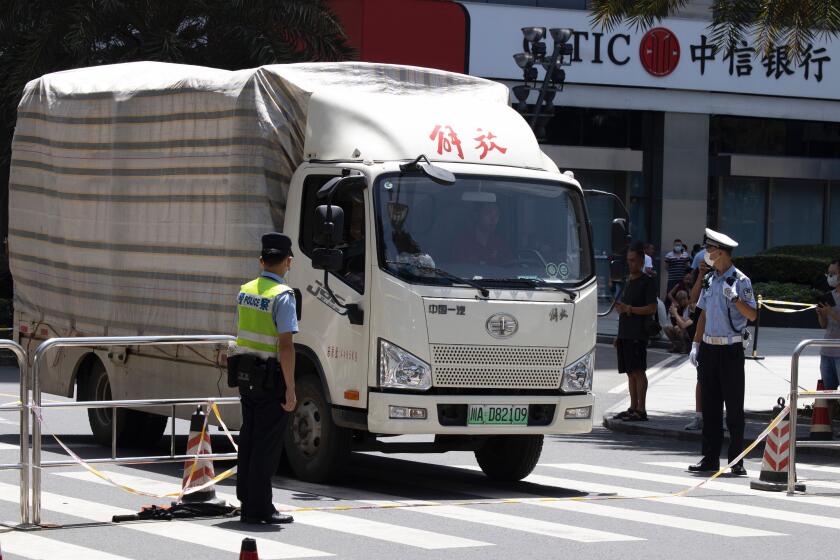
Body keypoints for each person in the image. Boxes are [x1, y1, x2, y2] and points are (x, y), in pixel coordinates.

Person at [230, 232, 298, 524]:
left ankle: (247, 499)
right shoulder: (282, 296)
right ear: (288, 262)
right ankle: (260, 507)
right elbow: (286, 345)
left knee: (249, 438)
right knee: (266, 445)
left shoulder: (245, 290)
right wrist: (291, 389)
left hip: (246, 375)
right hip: (272, 379)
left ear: (260, 260)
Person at [688, 229, 757, 476]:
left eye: (710, 250)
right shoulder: (709, 279)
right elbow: (703, 314)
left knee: (734, 409)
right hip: (709, 349)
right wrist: (696, 345)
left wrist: (736, 298)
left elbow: (752, 315)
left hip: (730, 350)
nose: (707, 254)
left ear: (721, 252)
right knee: (711, 408)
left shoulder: (740, 280)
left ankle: (736, 460)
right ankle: (709, 459)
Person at [612, 242, 658, 422]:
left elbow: (652, 308)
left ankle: (641, 409)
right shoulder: (627, 281)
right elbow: (623, 309)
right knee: (630, 372)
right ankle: (632, 407)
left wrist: (629, 309)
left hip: (638, 333)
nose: (630, 264)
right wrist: (618, 335)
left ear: (641, 261)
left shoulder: (647, 282)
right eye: (628, 261)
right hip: (625, 332)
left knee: (638, 371)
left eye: (633, 260)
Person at [816, 259, 840, 422]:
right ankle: (827, 428)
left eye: (833, 274)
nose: (829, 277)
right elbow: (824, 325)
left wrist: (831, 312)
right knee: (828, 393)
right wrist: (821, 314)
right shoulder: (829, 296)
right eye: (828, 273)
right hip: (827, 351)